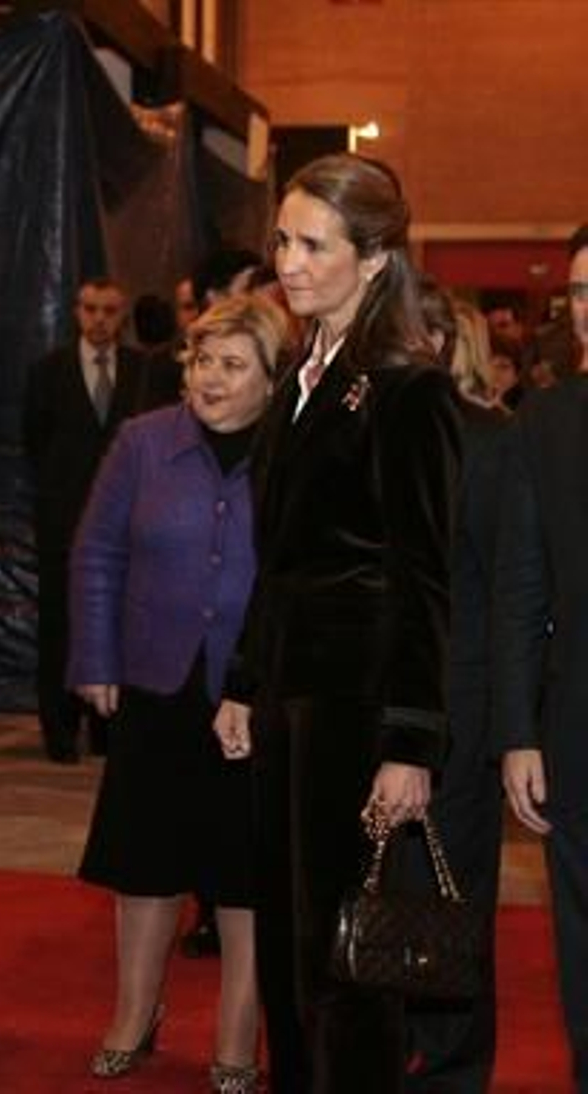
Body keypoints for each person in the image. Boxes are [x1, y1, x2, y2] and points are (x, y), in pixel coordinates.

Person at [212, 153, 461, 1093]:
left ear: (376, 256)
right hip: (288, 699)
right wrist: (245, 680)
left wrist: (410, 742)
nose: (290, 262)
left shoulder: (408, 389)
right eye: (283, 240)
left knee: (346, 954)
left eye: (315, 245)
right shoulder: (301, 376)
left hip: (358, 708)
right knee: (286, 938)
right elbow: (280, 558)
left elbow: (424, 578)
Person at [69, 294, 286, 1093]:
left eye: (233, 365)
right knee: (146, 863)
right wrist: (95, 657)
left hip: (254, 695)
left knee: (245, 873)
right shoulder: (142, 441)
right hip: (154, 682)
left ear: (273, 378)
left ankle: (238, 1033)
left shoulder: (295, 449)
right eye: (201, 362)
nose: (210, 379)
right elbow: (97, 552)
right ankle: (134, 1013)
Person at [401, 281, 510, 1094]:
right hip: (370, 697)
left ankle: (450, 1065)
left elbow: (508, 588)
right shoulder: (363, 428)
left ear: (439, 342)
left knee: (450, 889)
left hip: (459, 704)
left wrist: (510, 723)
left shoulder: (490, 440)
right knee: (380, 879)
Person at [493, 223, 588, 1091]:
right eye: (583, 293)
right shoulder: (547, 422)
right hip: (576, 731)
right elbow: (521, 587)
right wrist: (518, 731)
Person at [25, 276, 178, 762]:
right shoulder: (48, 371)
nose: (99, 320)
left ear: (122, 316)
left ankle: (108, 731)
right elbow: (35, 442)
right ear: (76, 312)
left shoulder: (142, 371)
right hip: (63, 523)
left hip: (128, 523)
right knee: (59, 625)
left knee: (120, 621)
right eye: (90, 309)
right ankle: (60, 729)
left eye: (109, 311)